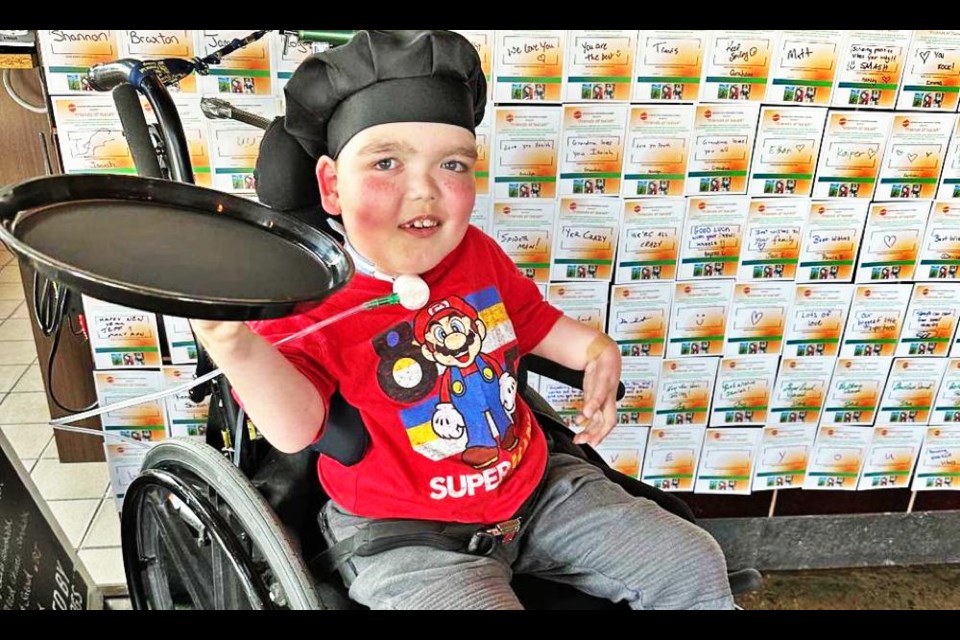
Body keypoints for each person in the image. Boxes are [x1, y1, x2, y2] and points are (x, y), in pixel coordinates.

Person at [191, 30, 732, 611]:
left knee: (692, 561)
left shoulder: (475, 254)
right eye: (386, 163)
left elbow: (537, 324)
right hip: (405, 533)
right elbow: (298, 430)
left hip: (536, 491)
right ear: (330, 185)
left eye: (452, 164)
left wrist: (600, 353)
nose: (423, 190)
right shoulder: (303, 293)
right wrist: (234, 344)